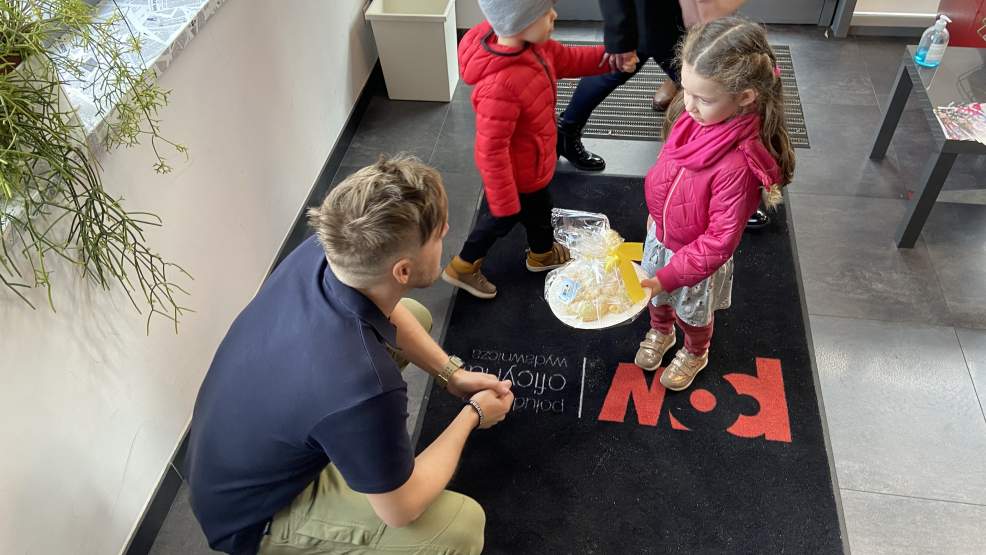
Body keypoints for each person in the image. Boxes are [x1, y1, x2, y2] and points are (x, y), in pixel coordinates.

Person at [185, 155, 515, 555]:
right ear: (403, 272)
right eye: (438, 233)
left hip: (225, 457)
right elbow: (402, 507)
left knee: (413, 315)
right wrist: (474, 414)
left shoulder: (324, 251)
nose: (447, 229)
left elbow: (389, 308)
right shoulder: (364, 385)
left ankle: (346, 452)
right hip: (254, 516)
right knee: (459, 528)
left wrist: (452, 375)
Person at [633, 17, 795, 391]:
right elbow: (669, 172)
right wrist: (657, 217)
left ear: (745, 97)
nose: (688, 104)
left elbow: (719, 241)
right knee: (656, 300)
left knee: (692, 312)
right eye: (686, 90)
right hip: (662, 235)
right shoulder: (692, 117)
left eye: (703, 98)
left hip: (697, 258)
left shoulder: (738, 165)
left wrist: (665, 278)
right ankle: (661, 332)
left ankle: (694, 349)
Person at [441, 0, 627, 300]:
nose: (554, 15)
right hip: (515, 177)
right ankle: (462, 266)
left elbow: (570, 58)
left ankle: (541, 254)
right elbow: (490, 150)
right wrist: (503, 200)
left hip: (534, 163)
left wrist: (610, 59)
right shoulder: (500, 86)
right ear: (518, 22)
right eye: (545, 12)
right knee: (501, 220)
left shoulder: (534, 47)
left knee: (540, 209)